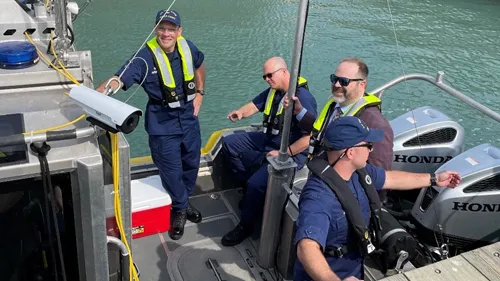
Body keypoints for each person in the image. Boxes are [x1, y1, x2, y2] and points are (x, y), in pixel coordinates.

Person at [294, 116, 461, 281]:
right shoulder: (318, 197)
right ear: (350, 153)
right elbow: (306, 247)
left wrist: (434, 179)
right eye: (368, 145)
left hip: (354, 267)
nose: (372, 150)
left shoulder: (359, 172)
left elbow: (390, 179)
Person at [95, 9, 206, 240]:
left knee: (191, 164)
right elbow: (120, 78)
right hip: (162, 125)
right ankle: (180, 209)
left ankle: (182, 203)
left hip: (189, 119)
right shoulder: (144, 58)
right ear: (155, 29)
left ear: (179, 31)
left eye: (171, 29)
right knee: (171, 171)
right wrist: (99, 94)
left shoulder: (188, 47)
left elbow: (200, 64)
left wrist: (200, 92)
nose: (166, 33)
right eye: (162, 28)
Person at [220, 57, 318, 247]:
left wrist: (286, 152)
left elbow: (309, 137)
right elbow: (255, 105)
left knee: (256, 183)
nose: (267, 79)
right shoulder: (274, 91)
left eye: (270, 75)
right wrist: (240, 112)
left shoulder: (303, 98)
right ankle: (247, 186)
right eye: (264, 76)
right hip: (267, 140)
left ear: (284, 72)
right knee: (229, 143)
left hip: (288, 151)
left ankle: (246, 224)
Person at [284, 57, 394, 202]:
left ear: (362, 85)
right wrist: (299, 112)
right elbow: (321, 132)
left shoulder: (375, 123)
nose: (336, 84)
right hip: (319, 176)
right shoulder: (335, 105)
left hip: (339, 195)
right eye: (334, 78)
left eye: (344, 81)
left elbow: (379, 176)